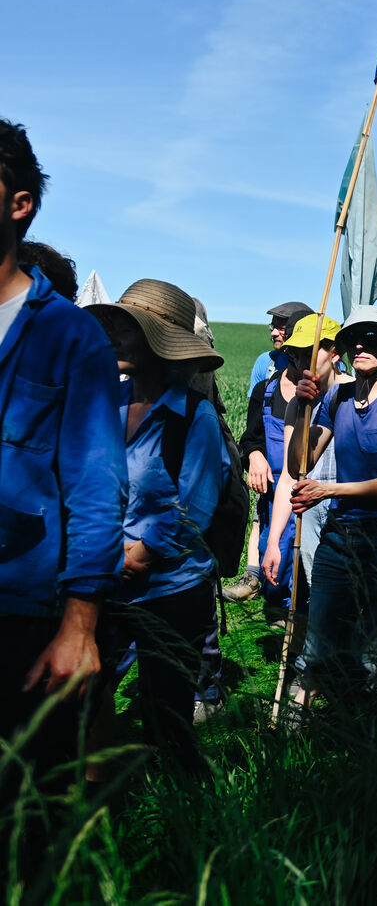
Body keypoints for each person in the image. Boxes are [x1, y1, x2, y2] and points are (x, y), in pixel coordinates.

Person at [0, 118, 125, 820]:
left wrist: (80, 625)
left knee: (22, 815)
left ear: (19, 204)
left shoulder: (69, 337)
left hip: (21, 611)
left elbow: (96, 486)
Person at [87, 279, 225, 773]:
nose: (115, 337)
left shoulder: (194, 417)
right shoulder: (107, 404)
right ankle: (102, 796)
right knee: (89, 693)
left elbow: (195, 506)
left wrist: (141, 554)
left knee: (167, 718)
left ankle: (187, 806)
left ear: (160, 342)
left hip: (170, 589)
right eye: (115, 325)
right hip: (107, 579)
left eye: (129, 328)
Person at [286, 305, 377, 704]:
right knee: (320, 640)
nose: (361, 346)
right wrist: (302, 407)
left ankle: (374, 725)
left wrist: (329, 491)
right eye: (354, 340)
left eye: (372, 338)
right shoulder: (338, 397)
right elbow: (300, 463)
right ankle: (299, 720)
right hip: (341, 535)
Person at [228, 300, 313, 603]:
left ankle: (301, 620)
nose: (300, 359)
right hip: (274, 494)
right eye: (296, 353)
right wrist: (254, 456)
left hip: (312, 498)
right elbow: (250, 438)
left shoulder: (330, 393)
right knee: (274, 571)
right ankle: (278, 613)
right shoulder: (265, 390)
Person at [260, 314, 348, 603]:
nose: (300, 363)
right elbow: (289, 476)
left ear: (335, 353)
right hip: (309, 513)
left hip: (349, 509)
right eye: (295, 355)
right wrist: (274, 542)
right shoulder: (297, 405)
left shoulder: (355, 394)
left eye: (308, 352)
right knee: (321, 596)